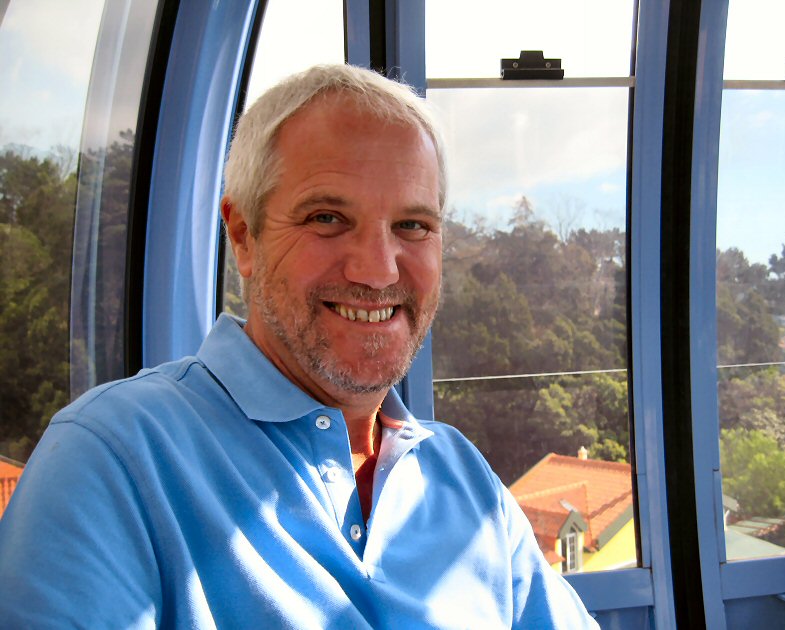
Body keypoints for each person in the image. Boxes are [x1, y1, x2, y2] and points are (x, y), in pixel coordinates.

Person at [0, 64, 598, 628]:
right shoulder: (113, 458)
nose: (378, 270)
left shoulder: (465, 479)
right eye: (327, 218)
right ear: (244, 237)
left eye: (412, 225)